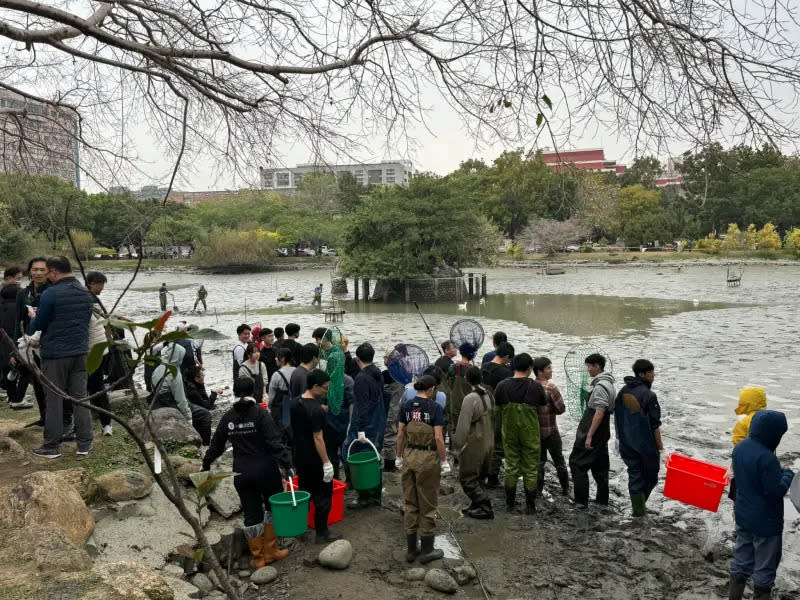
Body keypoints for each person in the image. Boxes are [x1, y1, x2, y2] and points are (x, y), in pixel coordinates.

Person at [203, 377, 292, 567]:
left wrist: (206, 463)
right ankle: (271, 551)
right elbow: (274, 442)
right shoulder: (261, 414)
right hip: (266, 470)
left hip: (242, 473)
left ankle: (258, 558)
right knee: (271, 508)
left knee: (251, 514)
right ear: (254, 392)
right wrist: (287, 465)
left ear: (234, 392)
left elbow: (216, 445)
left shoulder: (228, 417)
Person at [27, 256, 94, 459]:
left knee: (54, 399)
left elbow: (38, 325)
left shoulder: (51, 293)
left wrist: (32, 318)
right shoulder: (85, 292)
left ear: (54, 272)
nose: (45, 275)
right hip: (81, 352)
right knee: (80, 398)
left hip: (56, 354)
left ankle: (52, 446)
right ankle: (84, 444)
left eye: (47, 272)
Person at [728, 410, 794, 600]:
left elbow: (750, 478)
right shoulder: (768, 458)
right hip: (766, 523)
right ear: (774, 434)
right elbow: (775, 490)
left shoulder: (739, 448)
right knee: (765, 567)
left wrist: (776, 473)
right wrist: (788, 475)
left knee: (741, 560)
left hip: (743, 517)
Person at [396, 374, 448, 564]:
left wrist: (398, 457)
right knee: (428, 503)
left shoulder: (406, 406)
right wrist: (444, 460)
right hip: (427, 459)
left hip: (409, 455)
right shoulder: (435, 408)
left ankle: (411, 551)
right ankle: (426, 550)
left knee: (410, 502)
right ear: (431, 389)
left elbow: (400, 434)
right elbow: (438, 438)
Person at [291, 368, 341, 543]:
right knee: (324, 495)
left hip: (300, 456)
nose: (326, 391)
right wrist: (326, 462)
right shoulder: (316, 410)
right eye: (325, 388)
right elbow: (318, 437)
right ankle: (322, 532)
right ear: (314, 386)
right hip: (315, 458)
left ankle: (300, 528)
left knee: (305, 492)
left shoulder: (295, 403)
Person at [493, 353, 546, 513]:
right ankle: (530, 506)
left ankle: (509, 504)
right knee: (531, 467)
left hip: (509, 432)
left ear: (513, 366)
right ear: (530, 368)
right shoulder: (536, 387)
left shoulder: (502, 386)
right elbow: (542, 409)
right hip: (530, 432)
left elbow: (498, 410)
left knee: (511, 466)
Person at [342, 342, 390, 508]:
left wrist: (360, 430)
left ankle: (363, 496)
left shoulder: (361, 378)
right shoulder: (377, 372)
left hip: (365, 424)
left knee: (353, 455)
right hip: (377, 420)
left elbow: (361, 406)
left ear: (357, 359)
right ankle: (376, 495)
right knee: (375, 456)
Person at [614, 359, 663, 516]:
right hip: (645, 445)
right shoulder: (649, 395)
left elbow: (617, 415)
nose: (653, 375)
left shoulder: (623, 391)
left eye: (653, 372)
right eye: (650, 373)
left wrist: (618, 438)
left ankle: (638, 509)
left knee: (634, 474)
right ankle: (639, 509)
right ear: (642, 374)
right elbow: (655, 425)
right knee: (651, 476)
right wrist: (661, 448)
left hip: (626, 442)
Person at [569, 353, 616, 508]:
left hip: (593, 431)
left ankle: (581, 502)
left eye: (589, 366)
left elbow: (599, 411)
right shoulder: (609, 383)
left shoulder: (601, 386)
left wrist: (589, 435)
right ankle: (602, 501)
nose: (588, 369)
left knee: (577, 464)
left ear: (597, 366)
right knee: (600, 465)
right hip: (603, 433)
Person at [453, 366, 495, 519]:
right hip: (489, 440)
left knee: (467, 477)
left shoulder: (470, 398)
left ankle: (485, 506)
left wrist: (457, 448)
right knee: (479, 477)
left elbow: (463, 426)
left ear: (466, 379)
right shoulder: (488, 394)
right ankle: (476, 504)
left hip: (476, 442)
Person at [151, 343, 212, 447]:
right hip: (171, 404)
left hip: (158, 403)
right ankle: (205, 445)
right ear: (178, 356)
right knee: (205, 415)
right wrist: (188, 419)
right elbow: (181, 400)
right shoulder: (174, 373)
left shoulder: (158, 368)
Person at [12, 257, 50, 416]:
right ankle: (43, 417)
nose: (38, 273)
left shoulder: (52, 291)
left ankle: (60, 420)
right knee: (37, 382)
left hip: (49, 343)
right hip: (29, 344)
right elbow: (18, 321)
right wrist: (14, 350)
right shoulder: (23, 293)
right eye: (35, 269)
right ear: (29, 272)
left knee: (52, 383)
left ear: (49, 272)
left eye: (42, 270)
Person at [533, 356, 569, 496]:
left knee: (539, 462)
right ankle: (565, 489)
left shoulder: (530, 385)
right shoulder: (550, 387)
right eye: (548, 368)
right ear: (540, 371)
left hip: (536, 432)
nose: (551, 370)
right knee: (559, 460)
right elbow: (561, 409)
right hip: (551, 431)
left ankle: (538, 490)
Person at [481, 342, 514, 487]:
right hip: (497, 411)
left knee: (484, 442)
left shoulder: (484, 367)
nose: (509, 362)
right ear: (506, 356)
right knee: (498, 444)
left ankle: (481, 473)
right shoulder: (506, 374)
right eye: (509, 359)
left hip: (482, 409)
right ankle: (492, 477)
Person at [85, 271, 113, 436]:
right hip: (95, 349)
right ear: (93, 283)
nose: (102, 288)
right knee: (96, 385)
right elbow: (105, 320)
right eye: (101, 284)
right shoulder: (89, 299)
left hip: (95, 349)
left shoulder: (89, 299)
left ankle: (103, 421)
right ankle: (105, 423)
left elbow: (105, 319)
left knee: (92, 385)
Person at [729, 387, 768, 503]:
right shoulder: (768, 419)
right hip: (764, 468)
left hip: (744, 470)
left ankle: (738, 515)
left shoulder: (743, 422)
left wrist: (732, 466)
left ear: (745, 402)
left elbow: (738, 446)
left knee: (740, 499)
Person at [445, 342, 476, 450]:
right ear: (472, 354)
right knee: (468, 428)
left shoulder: (453, 367)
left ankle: (454, 453)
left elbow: (449, 384)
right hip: (470, 405)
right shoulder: (473, 370)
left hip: (455, 402)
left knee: (455, 428)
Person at [0, 272, 21, 405]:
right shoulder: (18, 309)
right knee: (14, 368)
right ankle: (15, 398)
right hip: (14, 341)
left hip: (3, 341)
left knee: (5, 366)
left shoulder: (2, 307)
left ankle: (10, 393)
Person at [268, 348, 296, 439]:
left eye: (277, 357)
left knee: (281, 430)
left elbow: (271, 395)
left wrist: (269, 405)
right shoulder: (296, 371)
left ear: (283, 358)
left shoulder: (277, 374)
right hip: (294, 402)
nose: (275, 359)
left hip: (281, 405)